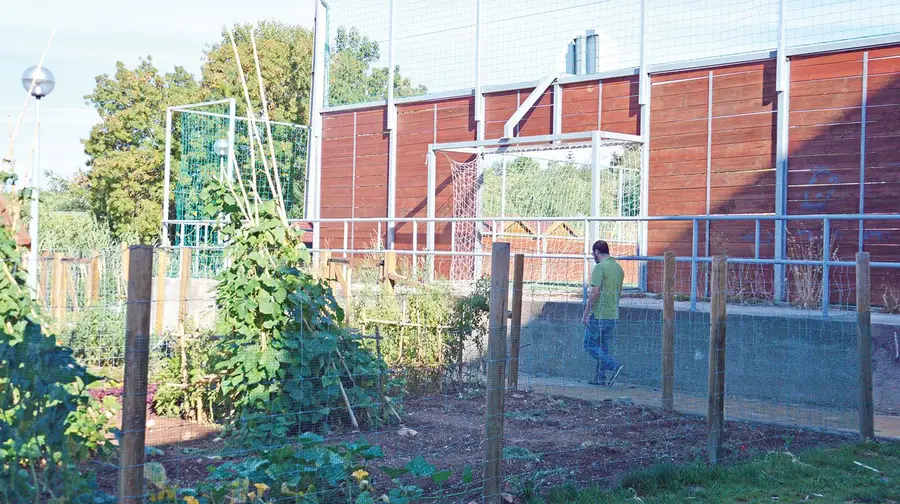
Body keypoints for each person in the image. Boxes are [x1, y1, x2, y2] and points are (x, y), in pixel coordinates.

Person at [582, 239, 625, 386]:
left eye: (593, 253)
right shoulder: (618, 268)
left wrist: (586, 313)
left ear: (596, 252)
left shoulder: (600, 268)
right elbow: (619, 292)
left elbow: (595, 292)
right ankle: (600, 378)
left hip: (599, 314)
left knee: (588, 344)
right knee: (602, 347)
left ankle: (613, 366)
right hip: (613, 315)